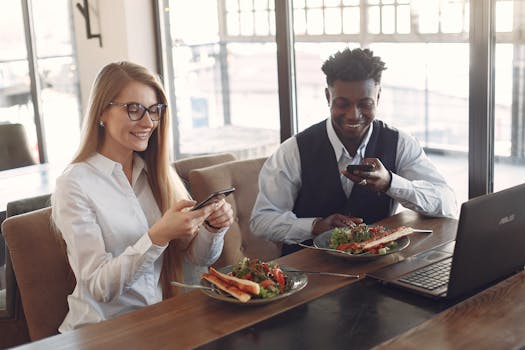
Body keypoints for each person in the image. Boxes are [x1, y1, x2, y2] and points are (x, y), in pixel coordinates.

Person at [51, 61, 234, 332]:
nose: (148, 122)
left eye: (154, 110)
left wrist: (212, 228)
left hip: (155, 323)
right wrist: (157, 237)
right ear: (102, 111)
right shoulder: (74, 184)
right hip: (100, 332)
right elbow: (99, 287)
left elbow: (198, 258)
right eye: (134, 109)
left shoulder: (156, 174)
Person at [250, 47, 457, 255]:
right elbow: (261, 220)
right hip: (309, 267)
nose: (353, 115)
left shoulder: (400, 143)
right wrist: (315, 226)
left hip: (378, 266)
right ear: (327, 97)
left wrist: (390, 183)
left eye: (365, 104)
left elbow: (447, 204)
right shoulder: (293, 150)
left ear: (378, 97)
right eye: (342, 104)